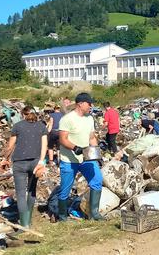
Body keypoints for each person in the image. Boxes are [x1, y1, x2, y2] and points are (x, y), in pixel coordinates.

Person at [57, 93, 104, 221]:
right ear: (80, 104)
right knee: (65, 189)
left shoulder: (89, 118)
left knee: (97, 180)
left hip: (86, 158)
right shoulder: (67, 119)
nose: (91, 106)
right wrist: (75, 148)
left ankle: (94, 213)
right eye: (89, 104)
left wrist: (98, 154)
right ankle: (62, 216)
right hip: (69, 160)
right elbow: (62, 139)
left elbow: (92, 137)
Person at [0, 106, 48, 229]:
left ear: (22, 114)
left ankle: (24, 223)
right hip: (35, 162)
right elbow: (44, 145)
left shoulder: (18, 126)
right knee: (32, 190)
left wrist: (5, 159)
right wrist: (41, 161)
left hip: (19, 163)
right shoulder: (41, 126)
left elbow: (10, 146)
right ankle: (29, 219)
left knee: (21, 194)